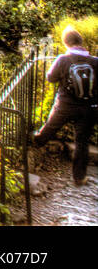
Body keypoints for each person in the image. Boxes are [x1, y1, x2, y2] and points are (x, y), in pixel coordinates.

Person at [32, 26, 98, 185]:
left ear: (66, 43)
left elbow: (50, 78)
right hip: (89, 107)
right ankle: (79, 177)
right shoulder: (95, 61)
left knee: (50, 127)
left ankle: (36, 142)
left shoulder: (63, 59)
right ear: (81, 42)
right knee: (82, 142)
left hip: (65, 105)